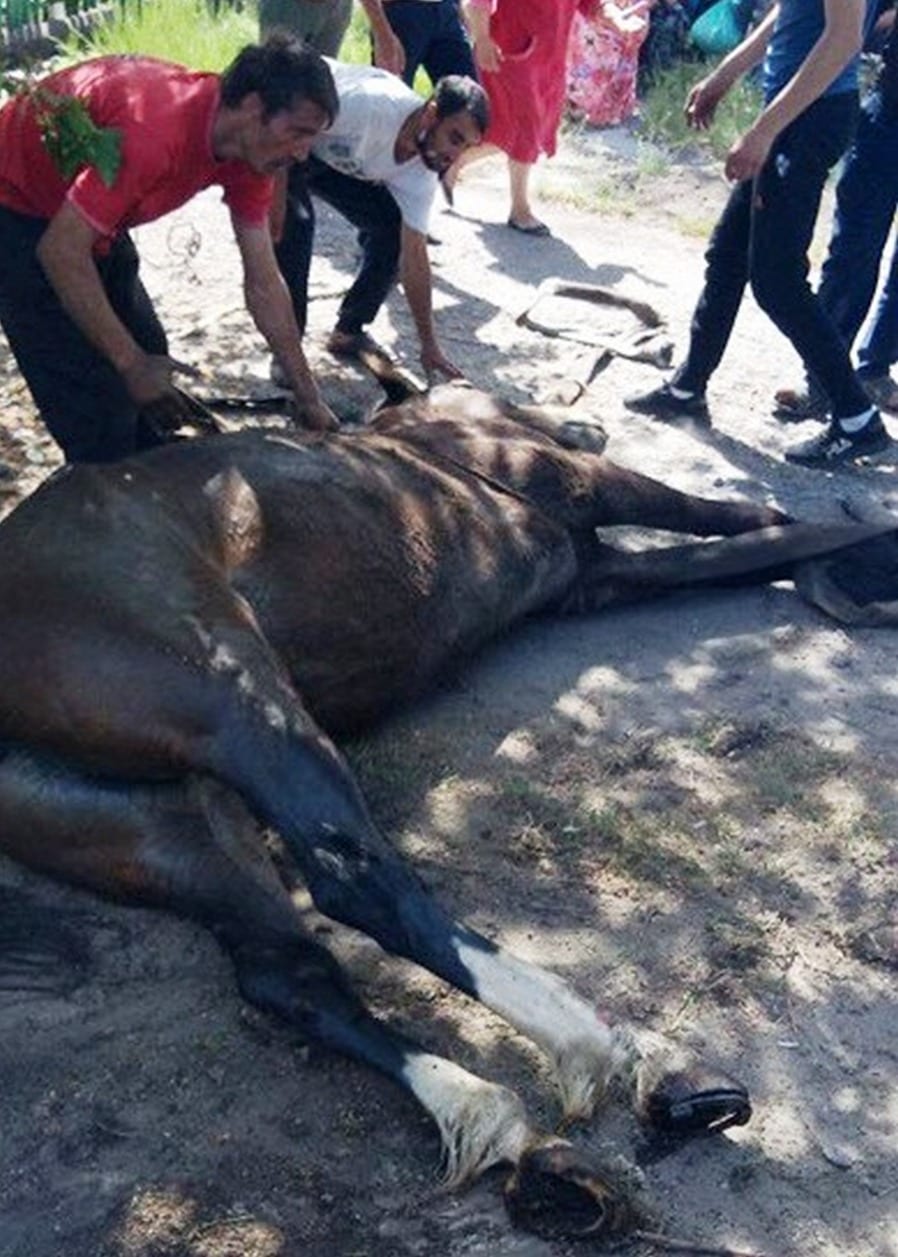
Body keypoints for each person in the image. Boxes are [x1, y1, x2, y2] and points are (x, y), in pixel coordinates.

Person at [0, 36, 341, 462]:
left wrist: (309, 396)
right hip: (16, 211)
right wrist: (128, 364)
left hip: (84, 215)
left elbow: (264, 281)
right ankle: (105, 485)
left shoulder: (250, 156)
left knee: (151, 355)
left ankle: (146, 467)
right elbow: (61, 252)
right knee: (97, 407)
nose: (303, 152)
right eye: (299, 132)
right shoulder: (155, 133)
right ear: (254, 107)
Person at [625, 0, 892, 469]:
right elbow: (787, 13)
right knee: (728, 255)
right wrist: (725, 74)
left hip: (810, 120)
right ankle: (689, 386)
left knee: (777, 280)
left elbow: (842, 40)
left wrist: (764, 132)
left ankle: (856, 417)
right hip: (794, 117)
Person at [273, 64, 488, 381]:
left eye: (465, 146)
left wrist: (429, 346)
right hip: (292, 137)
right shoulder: (368, 107)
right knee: (297, 226)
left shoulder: (422, 172)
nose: (454, 156)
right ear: (430, 115)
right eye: (454, 138)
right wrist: (275, 204)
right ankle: (286, 349)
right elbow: (288, 123)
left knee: (392, 231)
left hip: (335, 163)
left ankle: (349, 329)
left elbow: (414, 259)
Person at [774, 7, 898, 419]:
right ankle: (824, 378)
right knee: (853, 250)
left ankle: (874, 368)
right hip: (890, 111)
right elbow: (858, 25)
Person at [445, 0, 595, 237]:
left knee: (517, 130)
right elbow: (477, 3)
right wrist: (482, 38)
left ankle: (456, 161)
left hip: (550, 61)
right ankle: (520, 209)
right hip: (509, 54)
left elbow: (592, 6)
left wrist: (618, 18)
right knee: (526, 126)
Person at [567, 0, 651, 128]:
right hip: (597, 14)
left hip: (629, 13)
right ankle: (580, 109)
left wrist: (636, 9)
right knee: (592, 59)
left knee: (620, 60)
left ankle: (613, 111)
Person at [259, 0, 405, 74]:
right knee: (275, 80)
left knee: (315, 87)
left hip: (335, 7)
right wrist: (383, 35)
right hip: (291, 6)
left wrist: (384, 34)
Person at [379, 0, 477, 88]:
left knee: (466, 96)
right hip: (402, 12)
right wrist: (382, 33)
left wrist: (460, 8)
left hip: (447, 11)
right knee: (393, 93)